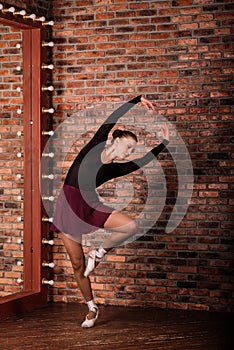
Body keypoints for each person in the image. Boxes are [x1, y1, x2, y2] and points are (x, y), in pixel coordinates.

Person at [50, 95, 170, 328]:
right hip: (69, 206)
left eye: (132, 149)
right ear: (115, 141)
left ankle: (100, 252)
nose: (129, 152)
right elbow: (112, 117)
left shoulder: (116, 169)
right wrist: (137, 100)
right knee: (77, 263)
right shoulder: (95, 144)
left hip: (90, 204)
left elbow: (141, 162)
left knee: (130, 226)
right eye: (128, 146)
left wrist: (164, 143)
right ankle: (92, 308)